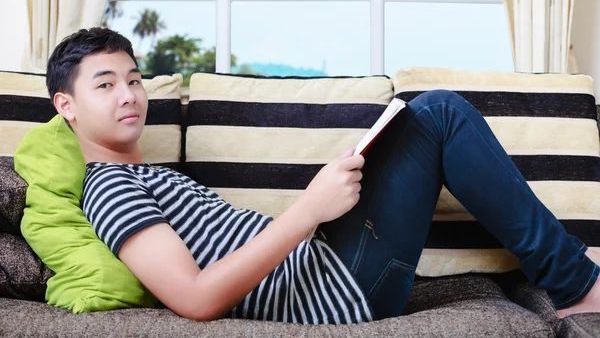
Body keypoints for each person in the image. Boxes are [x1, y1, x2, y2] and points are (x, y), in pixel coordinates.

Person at [45, 27, 600, 324]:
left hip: (327, 268)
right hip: (337, 289)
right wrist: (308, 211)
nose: (129, 95)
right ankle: (580, 284)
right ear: (66, 106)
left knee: (423, 118)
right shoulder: (111, 187)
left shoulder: (150, 175)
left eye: (135, 79)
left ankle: (575, 279)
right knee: (439, 113)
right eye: (105, 84)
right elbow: (194, 299)